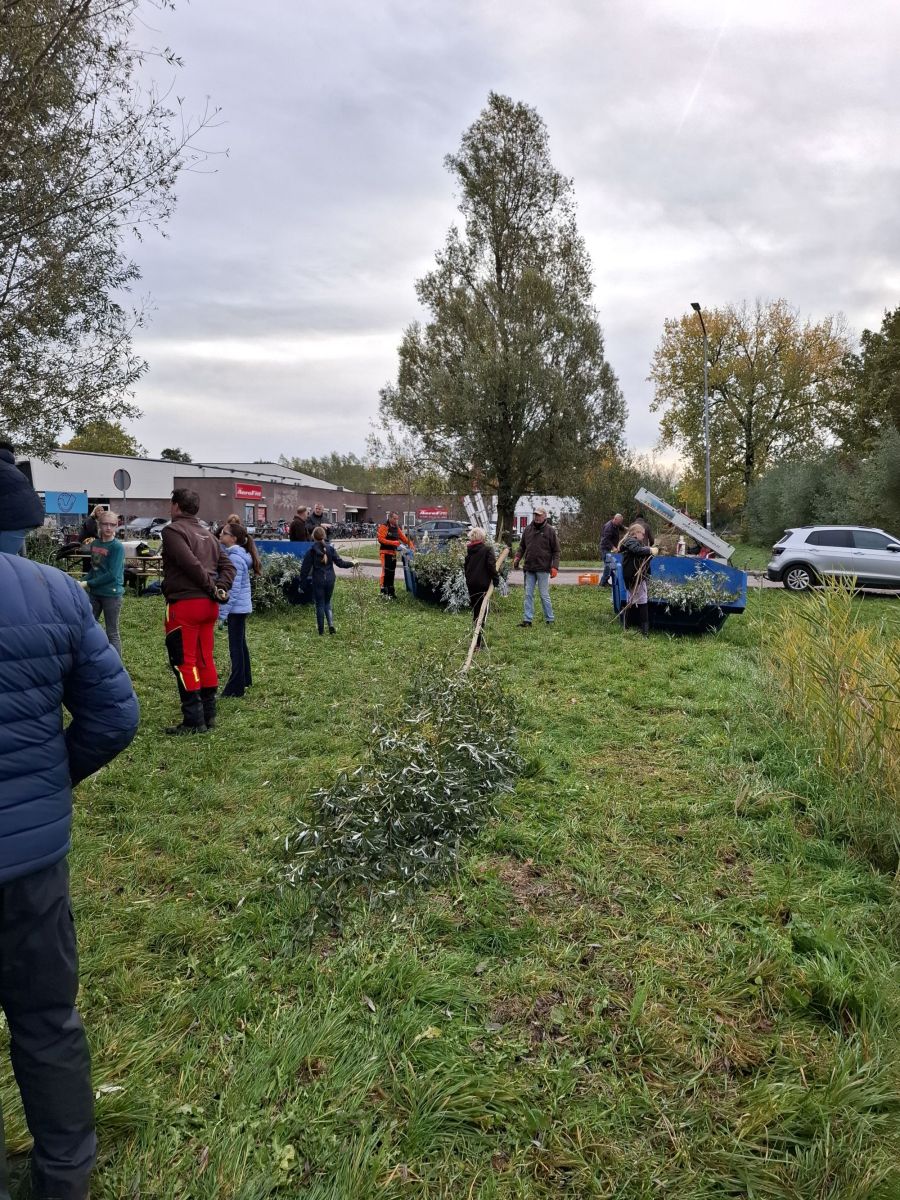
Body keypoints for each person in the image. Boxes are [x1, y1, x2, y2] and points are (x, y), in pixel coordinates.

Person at [1, 497, 139, 1200]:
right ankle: (63, 1178)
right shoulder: (52, 591)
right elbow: (114, 715)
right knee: (47, 1019)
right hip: (30, 866)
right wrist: (49, 780)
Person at [161, 488, 235, 735]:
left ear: (176, 506)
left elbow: (189, 563)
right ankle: (209, 714)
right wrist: (220, 588)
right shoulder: (208, 534)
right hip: (209, 607)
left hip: (185, 604)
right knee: (205, 658)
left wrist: (212, 588)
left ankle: (193, 720)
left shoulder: (173, 531)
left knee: (184, 661)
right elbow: (228, 566)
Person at [217, 522, 261, 698]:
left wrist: (222, 614)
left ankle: (235, 688)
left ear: (233, 538)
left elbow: (232, 591)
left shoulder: (234, 559)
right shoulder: (237, 555)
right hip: (240, 608)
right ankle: (245, 679)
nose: (221, 534)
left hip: (236, 609)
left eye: (224, 533)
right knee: (241, 645)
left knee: (235, 648)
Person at [299, 526, 355, 634]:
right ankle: (331, 625)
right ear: (324, 536)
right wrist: (353, 563)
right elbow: (341, 563)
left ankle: (321, 631)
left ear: (313, 536)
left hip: (318, 580)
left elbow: (304, 570)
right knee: (327, 602)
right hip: (330, 579)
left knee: (320, 604)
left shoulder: (311, 551)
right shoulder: (330, 549)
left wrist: (302, 584)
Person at [85, 509, 125, 655]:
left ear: (116, 526)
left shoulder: (117, 547)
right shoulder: (95, 544)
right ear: (99, 525)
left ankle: (116, 664)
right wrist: (81, 581)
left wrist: (88, 584)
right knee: (88, 627)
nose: (108, 528)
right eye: (105, 524)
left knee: (112, 632)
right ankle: (92, 656)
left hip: (111, 594)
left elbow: (112, 575)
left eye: (112, 525)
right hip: (94, 594)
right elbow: (94, 569)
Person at [512, 506, 560, 627]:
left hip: (543, 568)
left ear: (545, 516)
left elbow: (556, 551)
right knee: (528, 594)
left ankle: (550, 619)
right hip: (529, 567)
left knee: (544, 595)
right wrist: (517, 557)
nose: (537, 517)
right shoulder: (528, 529)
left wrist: (555, 567)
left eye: (539, 515)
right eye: (535, 515)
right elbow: (522, 546)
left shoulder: (550, 531)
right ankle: (527, 620)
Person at [0, 448, 44, 556]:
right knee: (10, 557)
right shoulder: (8, 466)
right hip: (27, 512)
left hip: (15, 517)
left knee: (5, 558)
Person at [618, 522, 658, 636]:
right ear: (636, 533)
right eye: (643, 534)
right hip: (634, 577)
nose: (644, 536)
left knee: (632, 600)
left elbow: (640, 554)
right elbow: (637, 550)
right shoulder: (631, 541)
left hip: (634, 576)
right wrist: (649, 550)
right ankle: (644, 631)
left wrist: (649, 552)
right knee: (642, 601)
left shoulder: (633, 542)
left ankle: (627, 625)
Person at [463, 528, 500, 650]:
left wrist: (469, 579)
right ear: (482, 537)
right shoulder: (487, 550)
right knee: (481, 612)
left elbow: (466, 568)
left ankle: (476, 640)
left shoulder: (470, 550)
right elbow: (491, 566)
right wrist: (495, 578)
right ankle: (477, 643)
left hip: (471, 584)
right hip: (483, 585)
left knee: (476, 611)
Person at [376, 511, 413, 599]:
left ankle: (391, 592)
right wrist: (393, 542)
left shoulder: (396, 527)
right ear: (390, 518)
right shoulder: (384, 526)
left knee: (392, 572)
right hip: (385, 552)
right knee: (385, 572)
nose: (396, 520)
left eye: (397, 519)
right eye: (394, 518)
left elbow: (403, 538)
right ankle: (383, 592)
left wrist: (411, 545)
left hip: (393, 553)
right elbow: (381, 539)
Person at [598, 513, 624, 586]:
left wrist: (628, 529)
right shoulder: (609, 527)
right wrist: (613, 547)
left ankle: (605, 581)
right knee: (608, 566)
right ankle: (602, 583)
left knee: (610, 565)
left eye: (621, 522)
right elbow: (606, 540)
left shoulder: (616, 524)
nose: (620, 524)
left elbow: (622, 527)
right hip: (605, 548)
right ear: (615, 519)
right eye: (619, 522)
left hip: (610, 548)